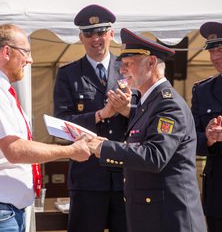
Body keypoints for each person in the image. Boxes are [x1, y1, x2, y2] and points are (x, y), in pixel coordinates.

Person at [0, 24, 91, 232]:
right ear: (7, 52)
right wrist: (71, 151)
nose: (30, 60)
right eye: (26, 52)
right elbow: (15, 149)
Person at [86, 28, 207, 232]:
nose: (122, 71)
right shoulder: (147, 103)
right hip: (152, 217)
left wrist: (104, 148)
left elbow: (154, 156)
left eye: (128, 64)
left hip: (170, 219)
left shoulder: (168, 105)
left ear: (151, 63)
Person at [54, 4, 139, 232]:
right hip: (87, 178)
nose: (96, 39)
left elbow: (148, 119)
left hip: (126, 175)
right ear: (81, 37)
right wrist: (100, 115)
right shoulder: (68, 74)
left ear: (112, 34)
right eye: (89, 33)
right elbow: (61, 126)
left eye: (101, 32)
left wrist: (127, 111)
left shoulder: (129, 69)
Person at [191, 21, 222, 232]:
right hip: (217, 193)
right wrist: (209, 138)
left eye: (220, 50)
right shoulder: (202, 91)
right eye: (212, 51)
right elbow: (190, 139)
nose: (215, 57)